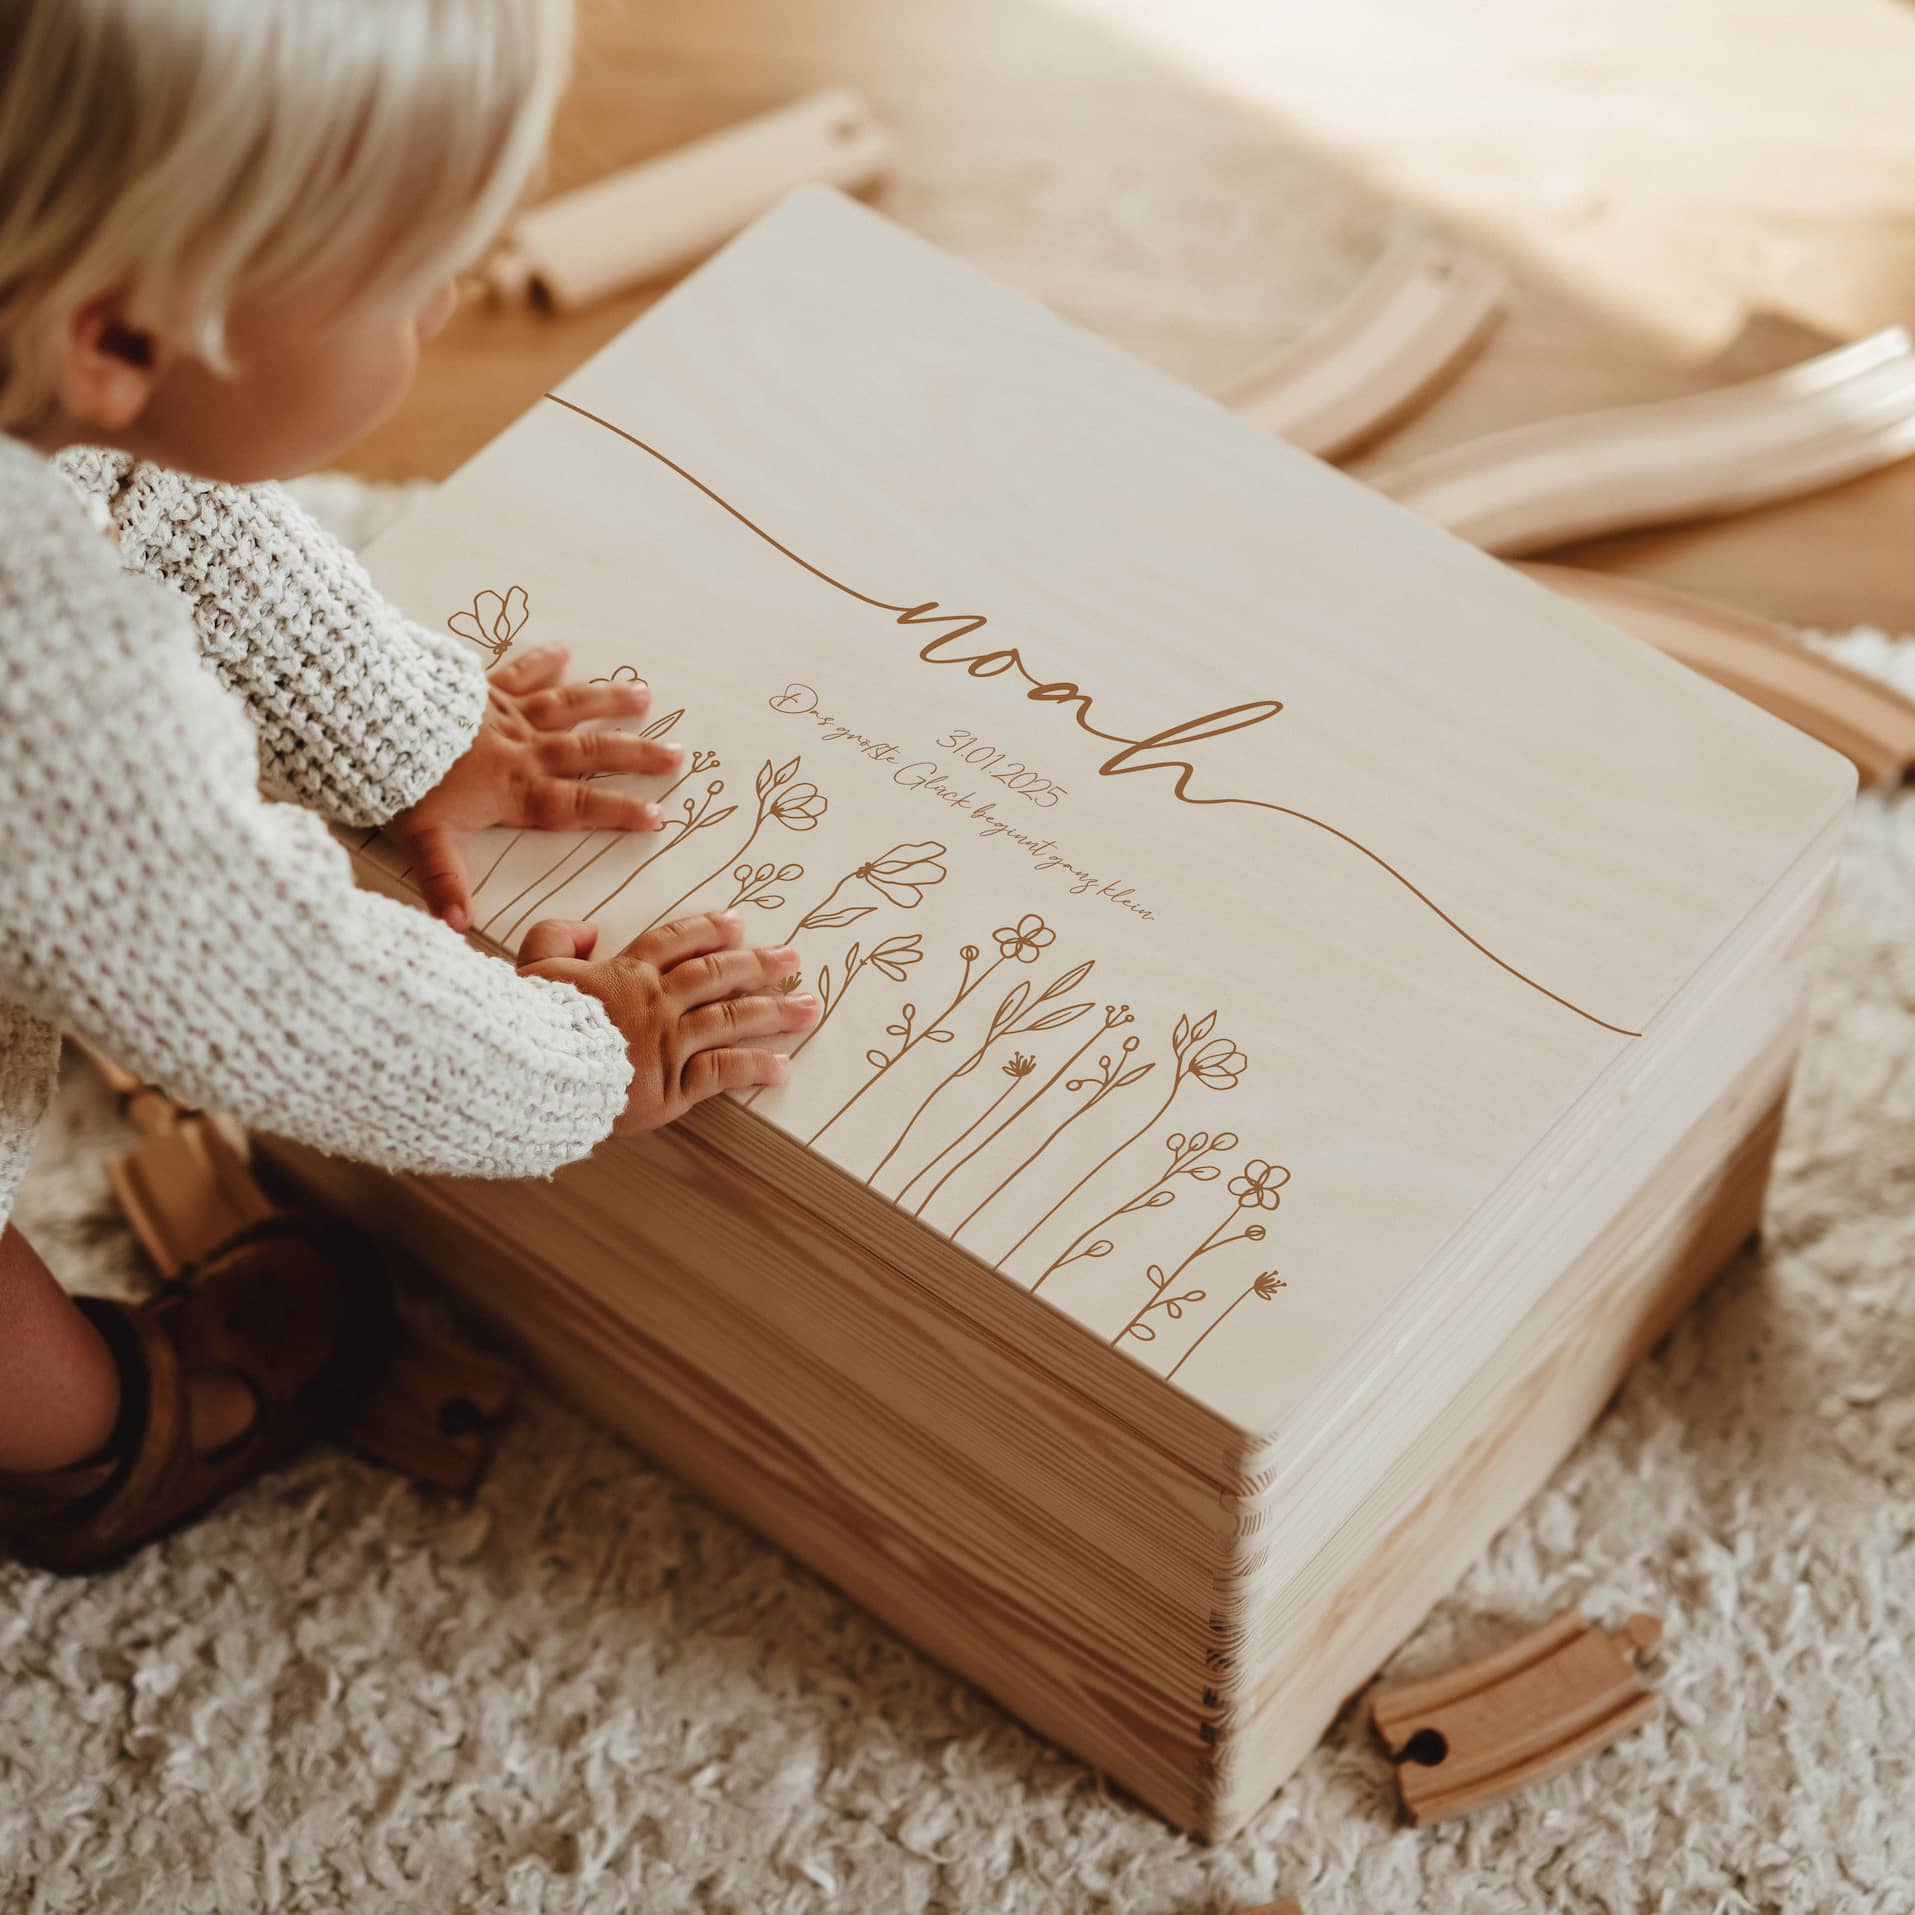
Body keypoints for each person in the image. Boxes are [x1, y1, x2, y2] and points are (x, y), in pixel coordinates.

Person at [0, 0, 821, 1570]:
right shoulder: (34, 672)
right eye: (414, 284)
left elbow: (141, 476)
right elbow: (266, 982)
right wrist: (581, 1059)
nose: (456, 294)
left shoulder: (35, 332)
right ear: (114, 339)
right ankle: (98, 1442)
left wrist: (397, 724)